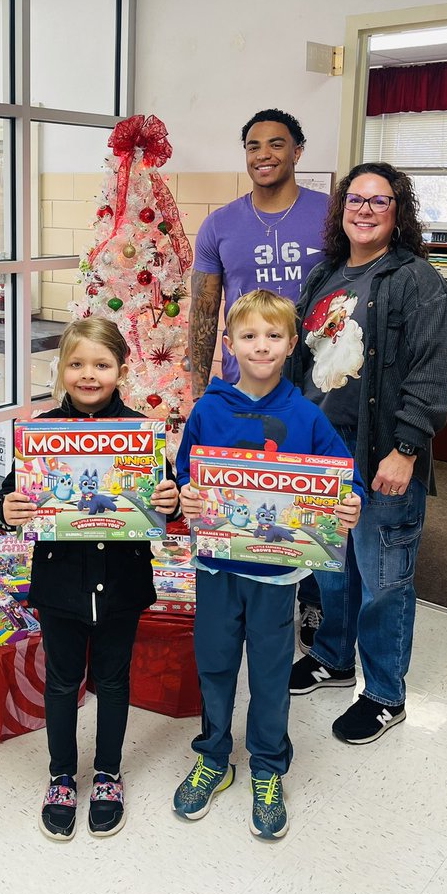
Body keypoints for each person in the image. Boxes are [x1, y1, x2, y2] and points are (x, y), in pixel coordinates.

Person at [173, 290, 363, 839]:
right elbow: (187, 473)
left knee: (272, 672)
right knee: (214, 662)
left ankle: (268, 765)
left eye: (273, 336)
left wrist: (350, 503)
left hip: (276, 577)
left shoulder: (306, 416)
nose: (261, 346)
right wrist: (186, 493)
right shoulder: (209, 409)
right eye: (249, 336)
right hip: (216, 569)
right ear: (229, 344)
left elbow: (342, 478)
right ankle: (213, 756)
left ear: (291, 345)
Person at [0, 318, 180, 841]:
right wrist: (9, 507)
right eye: (76, 364)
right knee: (61, 682)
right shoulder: (39, 435)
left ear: (122, 369)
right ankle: (60, 776)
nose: (88, 375)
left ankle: (108, 773)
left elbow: (164, 501)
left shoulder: (142, 436)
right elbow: (13, 500)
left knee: (115, 681)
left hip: (120, 584)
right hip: (61, 585)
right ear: (61, 371)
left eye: (101, 365)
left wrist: (169, 498)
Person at [288, 163, 447, 744]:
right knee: (331, 569)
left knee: (385, 578)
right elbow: (303, 364)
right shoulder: (326, 274)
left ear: (397, 211)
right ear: (341, 210)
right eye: (354, 199)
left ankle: (385, 693)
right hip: (322, 454)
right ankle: (334, 659)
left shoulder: (417, 282)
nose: (364, 209)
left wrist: (406, 449)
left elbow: (431, 376)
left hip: (381, 458)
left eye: (379, 201)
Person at [189, 109, 331, 652]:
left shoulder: (328, 214)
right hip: (240, 388)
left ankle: (313, 610)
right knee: (246, 500)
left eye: (276, 143)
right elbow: (204, 311)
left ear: (298, 150)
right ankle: (245, 605)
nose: (264, 153)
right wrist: (200, 387)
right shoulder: (222, 223)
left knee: (307, 496)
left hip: (318, 383)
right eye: (253, 145)